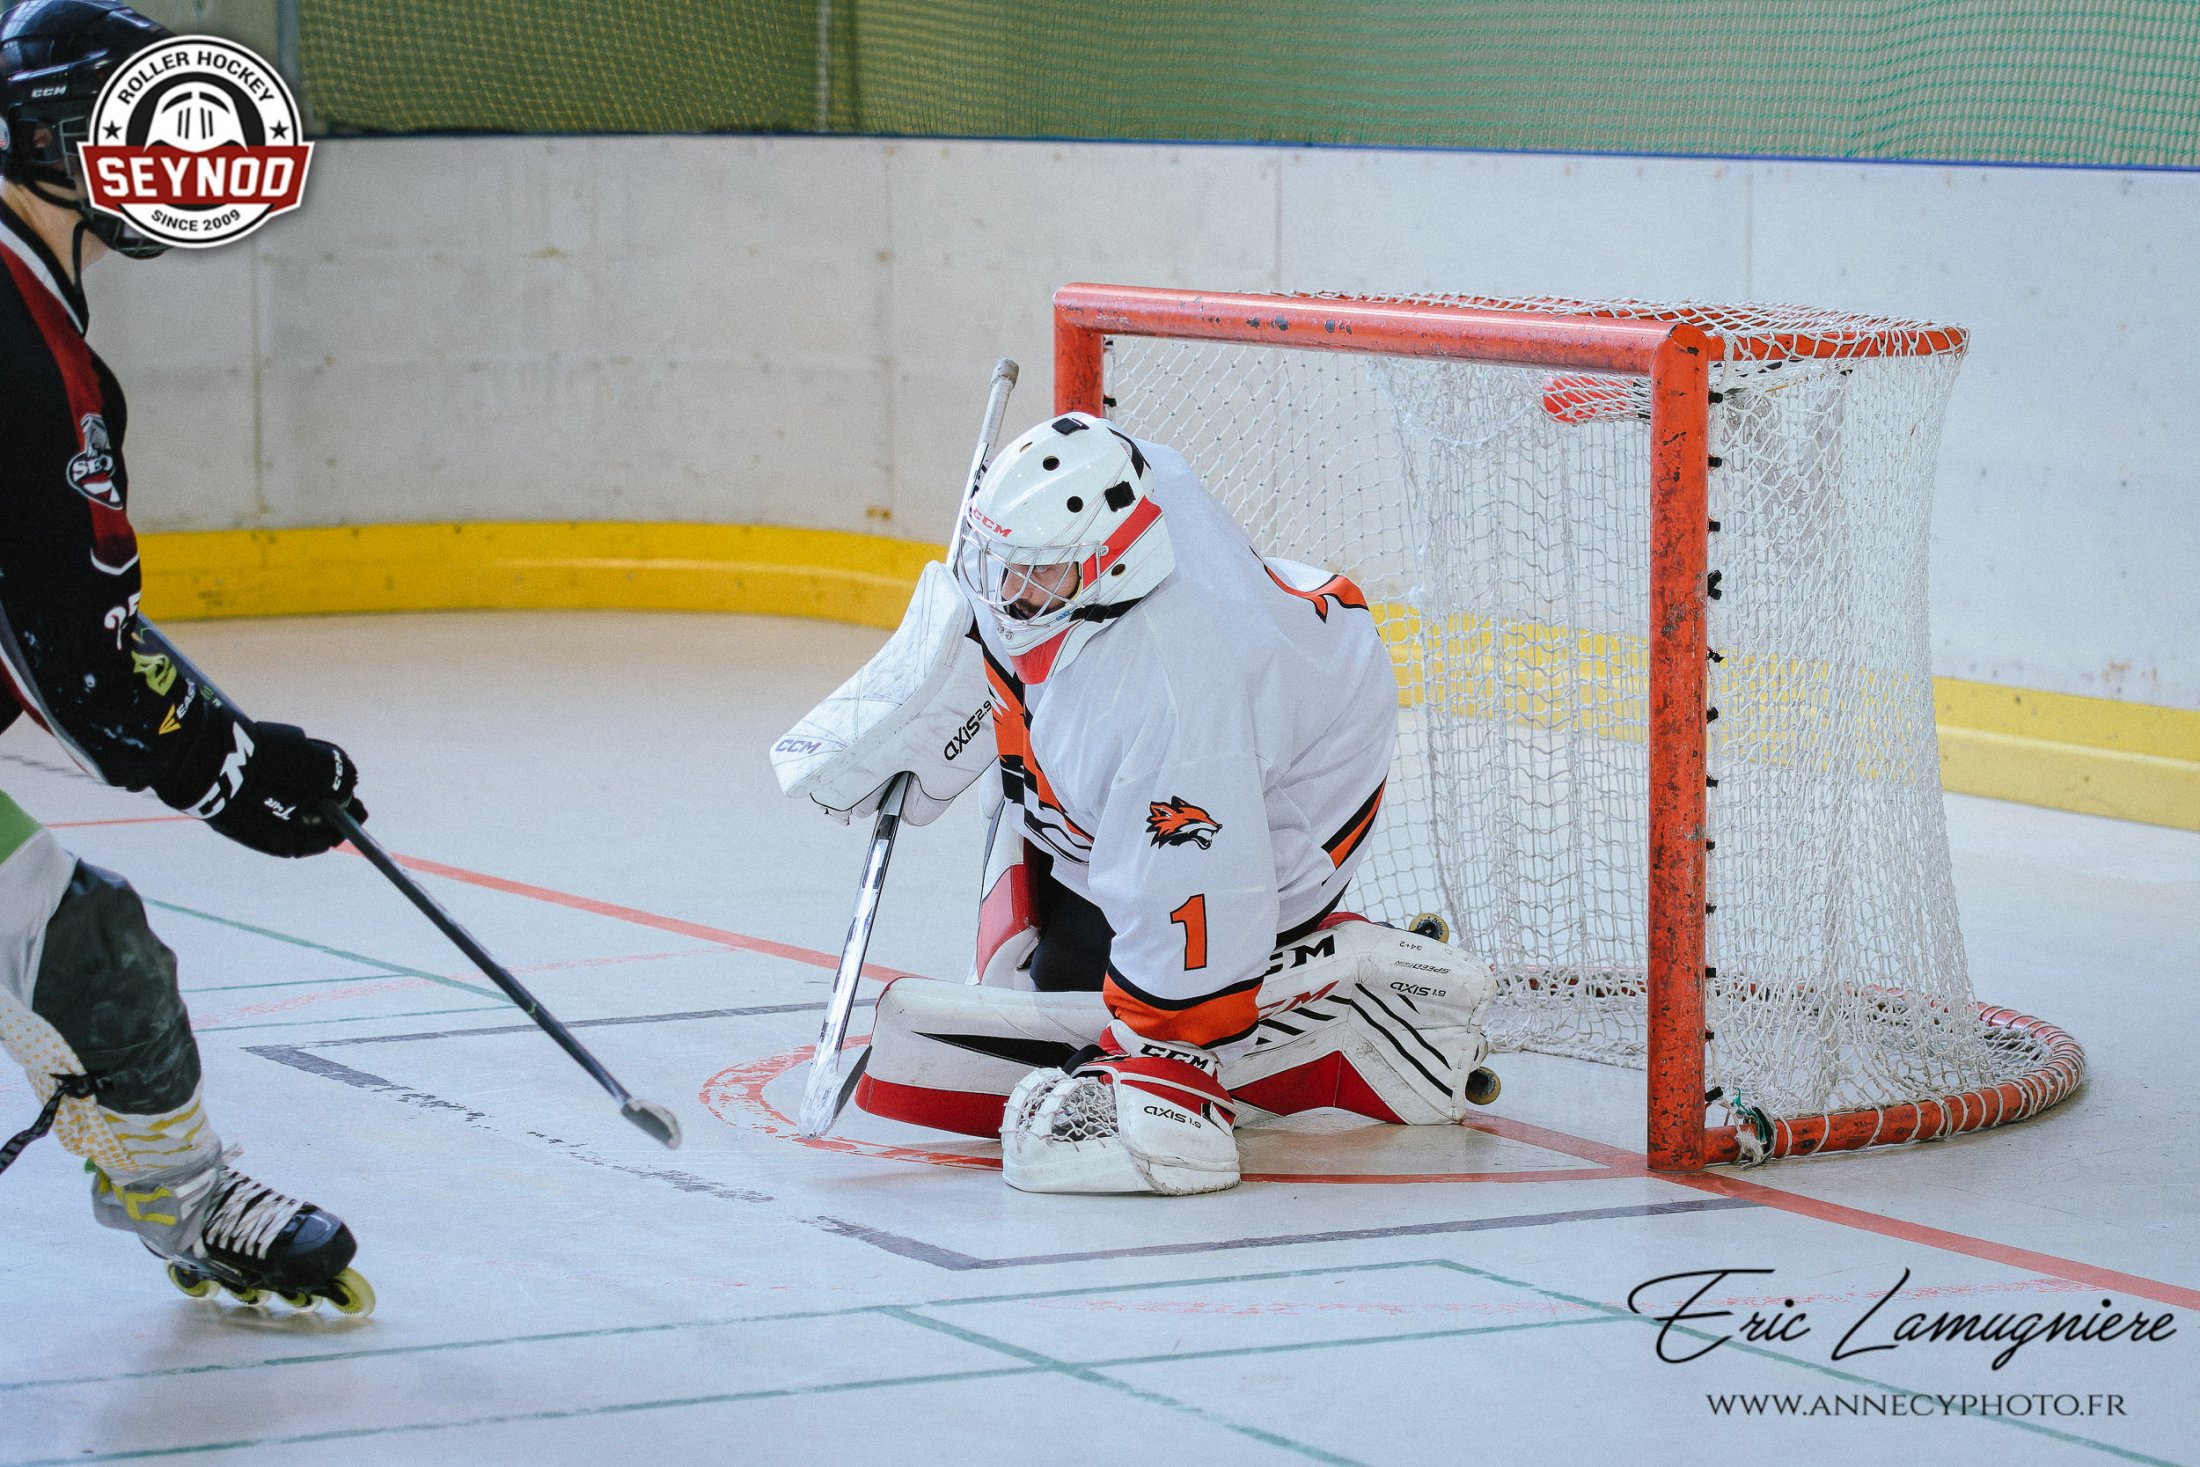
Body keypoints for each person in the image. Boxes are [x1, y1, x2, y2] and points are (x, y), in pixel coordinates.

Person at [775, 410, 1498, 1195]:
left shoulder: (1175, 702)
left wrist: (1170, 1042)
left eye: (1033, 576)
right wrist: (926, 692)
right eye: (999, 563)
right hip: (1266, 672)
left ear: (1110, 567)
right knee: (1034, 922)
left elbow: (1203, 894)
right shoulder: (1104, 496)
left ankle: (1339, 1011)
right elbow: (1006, 595)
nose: (1003, 592)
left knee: (1118, 989)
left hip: (1302, 784)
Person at [0, 0, 371, 1311]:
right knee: (91, 950)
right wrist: (232, 773)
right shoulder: (23, 343)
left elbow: (55, 614)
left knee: (85, 942)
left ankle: (184, 1190)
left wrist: (225, 747)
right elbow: (71, 648)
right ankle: (186, 1195)